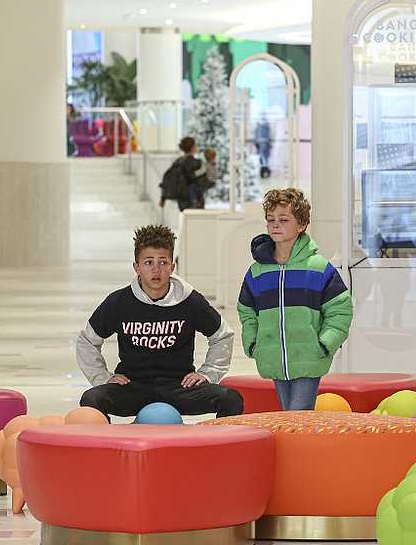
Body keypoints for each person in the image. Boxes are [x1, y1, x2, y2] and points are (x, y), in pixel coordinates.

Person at [76, 224, 243, 421]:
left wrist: (208, 373)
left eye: (163, 262)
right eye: (148, 262)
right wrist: (104, 378)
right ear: (136, 267)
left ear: (172, 266)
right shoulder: (119, 302)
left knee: (231, 399)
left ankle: (218, 450)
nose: (156, 269)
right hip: (132, 387)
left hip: (179, 387)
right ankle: (109, 449)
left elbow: (222, 335)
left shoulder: (189, 300)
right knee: (91, 399)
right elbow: (87, 341)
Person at [238, 189, 353, 411]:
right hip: (273, 357)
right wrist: (254, 344)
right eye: (271, 220)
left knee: (297, 414)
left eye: (283, 220)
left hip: (309, 357)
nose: (275, 225)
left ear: (301, 225)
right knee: (290, 416)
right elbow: (246, 310)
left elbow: (340, 310)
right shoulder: (257, 272)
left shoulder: (318, 268)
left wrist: (324, 343)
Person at [159, 136, 203, 212]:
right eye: (195, 145)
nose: (196, 147)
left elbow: (167, 178)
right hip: (192, 197)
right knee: (195, 221)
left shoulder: (178, 161)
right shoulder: (195, 162)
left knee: (185, 220)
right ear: (192, 147)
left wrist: (163, 198)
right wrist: (202, 171)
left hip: (181, 197)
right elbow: (193, 178)